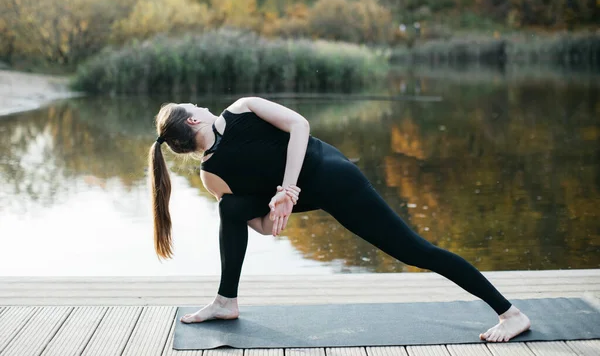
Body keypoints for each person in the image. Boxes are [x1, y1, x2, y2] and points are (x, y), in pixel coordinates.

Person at [148, 96, 531, 343]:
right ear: (194, 123)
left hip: (333, 177)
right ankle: (225, 300)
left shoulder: (245, 112)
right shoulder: (215, 166)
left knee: (416, 252)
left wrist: (288, 190)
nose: (198, 104)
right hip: (298, 193)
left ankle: (510, 314)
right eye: (192, 106)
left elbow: (300, 126)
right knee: (229, 208)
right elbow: (260, 226)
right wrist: (276, 215)